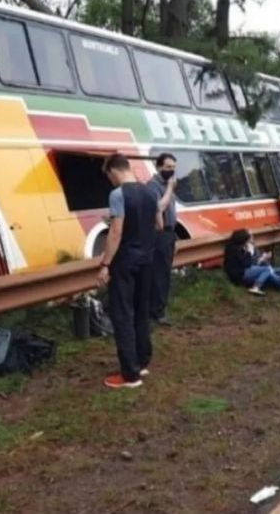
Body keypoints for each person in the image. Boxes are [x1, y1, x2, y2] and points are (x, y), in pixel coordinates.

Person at [97, 154, 161, 389]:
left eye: (109, 176)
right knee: (141, 310)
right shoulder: (150, 192)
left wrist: (105, 264)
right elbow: (159, 225)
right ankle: (142, 362)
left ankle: (130, 375)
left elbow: (116, 232)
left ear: (113, 171)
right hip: (147, 259)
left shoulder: (118, 194)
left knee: (122, 314)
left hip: (125, 261)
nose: (110, 181)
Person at [146, 153, 177, 326]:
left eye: (173, 167)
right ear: (158, 167)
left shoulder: (167, 184)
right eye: (168, 167)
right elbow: (159, 207)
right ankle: (157, 312)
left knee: (164, 272)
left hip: (169, 233)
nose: (171, 171)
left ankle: (158, 308)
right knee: (159, 273)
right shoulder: (153, 186)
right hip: (159, 234)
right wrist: (170, 189)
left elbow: (172, 211)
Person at [223, 229, 280, 295]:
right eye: (248, 239)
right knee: (268, 270)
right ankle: (256, 287)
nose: (249, 241)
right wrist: (249, 253)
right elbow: (247, 263)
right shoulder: (238, 249)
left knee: (274, 271)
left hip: (242, 272)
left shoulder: (231, 247)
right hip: (241, 274)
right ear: (243, 240)